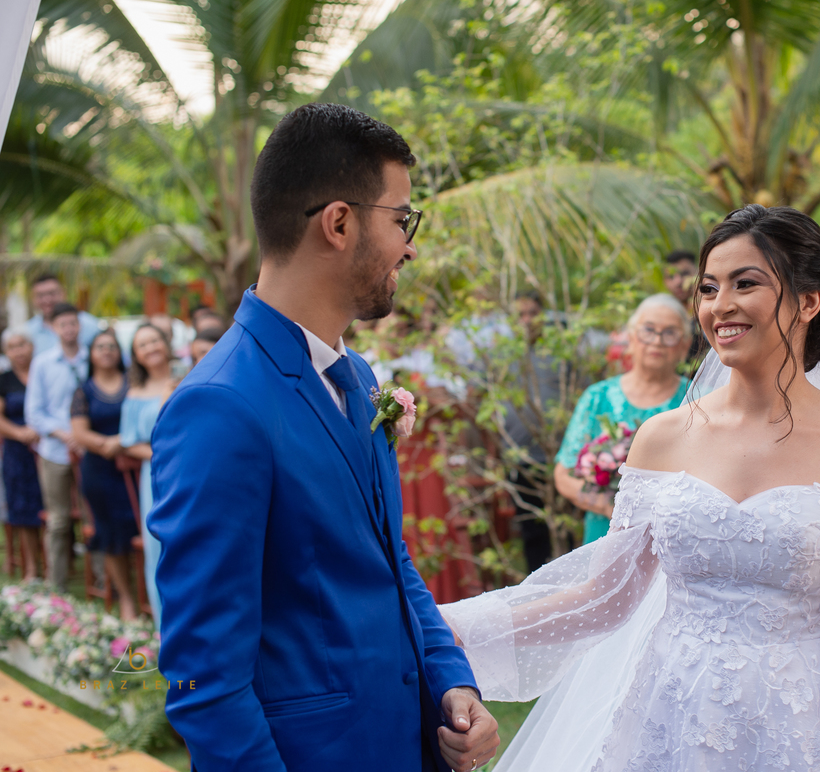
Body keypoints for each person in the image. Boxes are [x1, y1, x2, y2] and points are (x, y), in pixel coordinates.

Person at [442, 205, 820, 772]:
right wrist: (449, 625)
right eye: (708, 288)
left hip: (804, 723)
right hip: (672, 710)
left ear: (807, 301)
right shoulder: (662, 438)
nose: (719, 305)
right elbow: (603, 597)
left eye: (745, 283)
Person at [148, 103, 496, 772]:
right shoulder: (219, 407)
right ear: (339, 223)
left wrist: (453, 680)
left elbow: (388, 560)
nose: (411, 245)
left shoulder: (359, 376)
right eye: (402, 219)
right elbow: (205, 679)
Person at [554, 294, 690, 544]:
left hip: (672, 538)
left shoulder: (696, 400)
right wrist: (610, 507)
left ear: (684, 344)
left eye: (670, 333)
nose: (657, 342)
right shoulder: (598, 397)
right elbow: (564, 474)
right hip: (603, 534)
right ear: (631, 336)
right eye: (648, 330)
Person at [70, 329, 139, 621]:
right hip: (99, 471)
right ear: (92, 355)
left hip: (136, 465)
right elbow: (79, 433)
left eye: (112, 346)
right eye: (101, 347)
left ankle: (150, 594)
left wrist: (123, 442)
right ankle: (127, 598)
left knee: (140, 532)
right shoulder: (83, 390)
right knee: (111, 536)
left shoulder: (134, 383)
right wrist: (107, 445)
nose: (107, 350)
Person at [24, 303, 90, 590]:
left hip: (90, 450)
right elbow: (34, 412)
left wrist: (84, 436)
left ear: (79, 325)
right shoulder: (43, 363)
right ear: (53, 327)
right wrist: (65, 435)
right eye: (63, 324)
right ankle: (56, 585)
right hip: (54, 452)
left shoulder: (92, 357)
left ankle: (100, 579)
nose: (69, 329)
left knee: (93, 516)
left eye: (73, 323)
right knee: (59, 521)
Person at [118, 323, 174, 627]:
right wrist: (165, 454)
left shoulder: (188, 378)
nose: (151, 348)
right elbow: (129, 442)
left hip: (193, 473)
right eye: (143, 345)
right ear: (136, 355)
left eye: (154, 341)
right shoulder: (135, 394)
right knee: (157, 550)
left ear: (165, 344)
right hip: (154, 477)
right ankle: (165, 629)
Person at [503, 291, 563, 573]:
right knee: (531, 531)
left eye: (532, 313)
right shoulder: (501, 357)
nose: (527, 321)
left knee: (565, 530)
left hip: (559, 457)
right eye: (520, 315)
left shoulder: (560, 353)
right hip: (520, 458)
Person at [0, 330, 44, 580]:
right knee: (22, 507)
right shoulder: (4, 380)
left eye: (22, 345)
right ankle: (32, 568)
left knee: (49, 507)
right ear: (7, 352)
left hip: (46, 446)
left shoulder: (42, 372)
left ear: (31, 345)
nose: (19, 351)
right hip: (18, 451)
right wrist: (19, 433)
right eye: (12, 347)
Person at [24, 274, 101, 356]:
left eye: (51, 293)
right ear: (33, 299)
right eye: (41, 295)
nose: (47, 300)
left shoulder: (89, 325)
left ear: (63, 293)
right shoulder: (28, 332)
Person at [664, 249, 704, 364]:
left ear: (698, 273)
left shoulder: (713, 308)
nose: (678, 281)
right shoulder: (665, 314)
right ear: (665, 281)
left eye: (685, 274)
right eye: (671, 276)